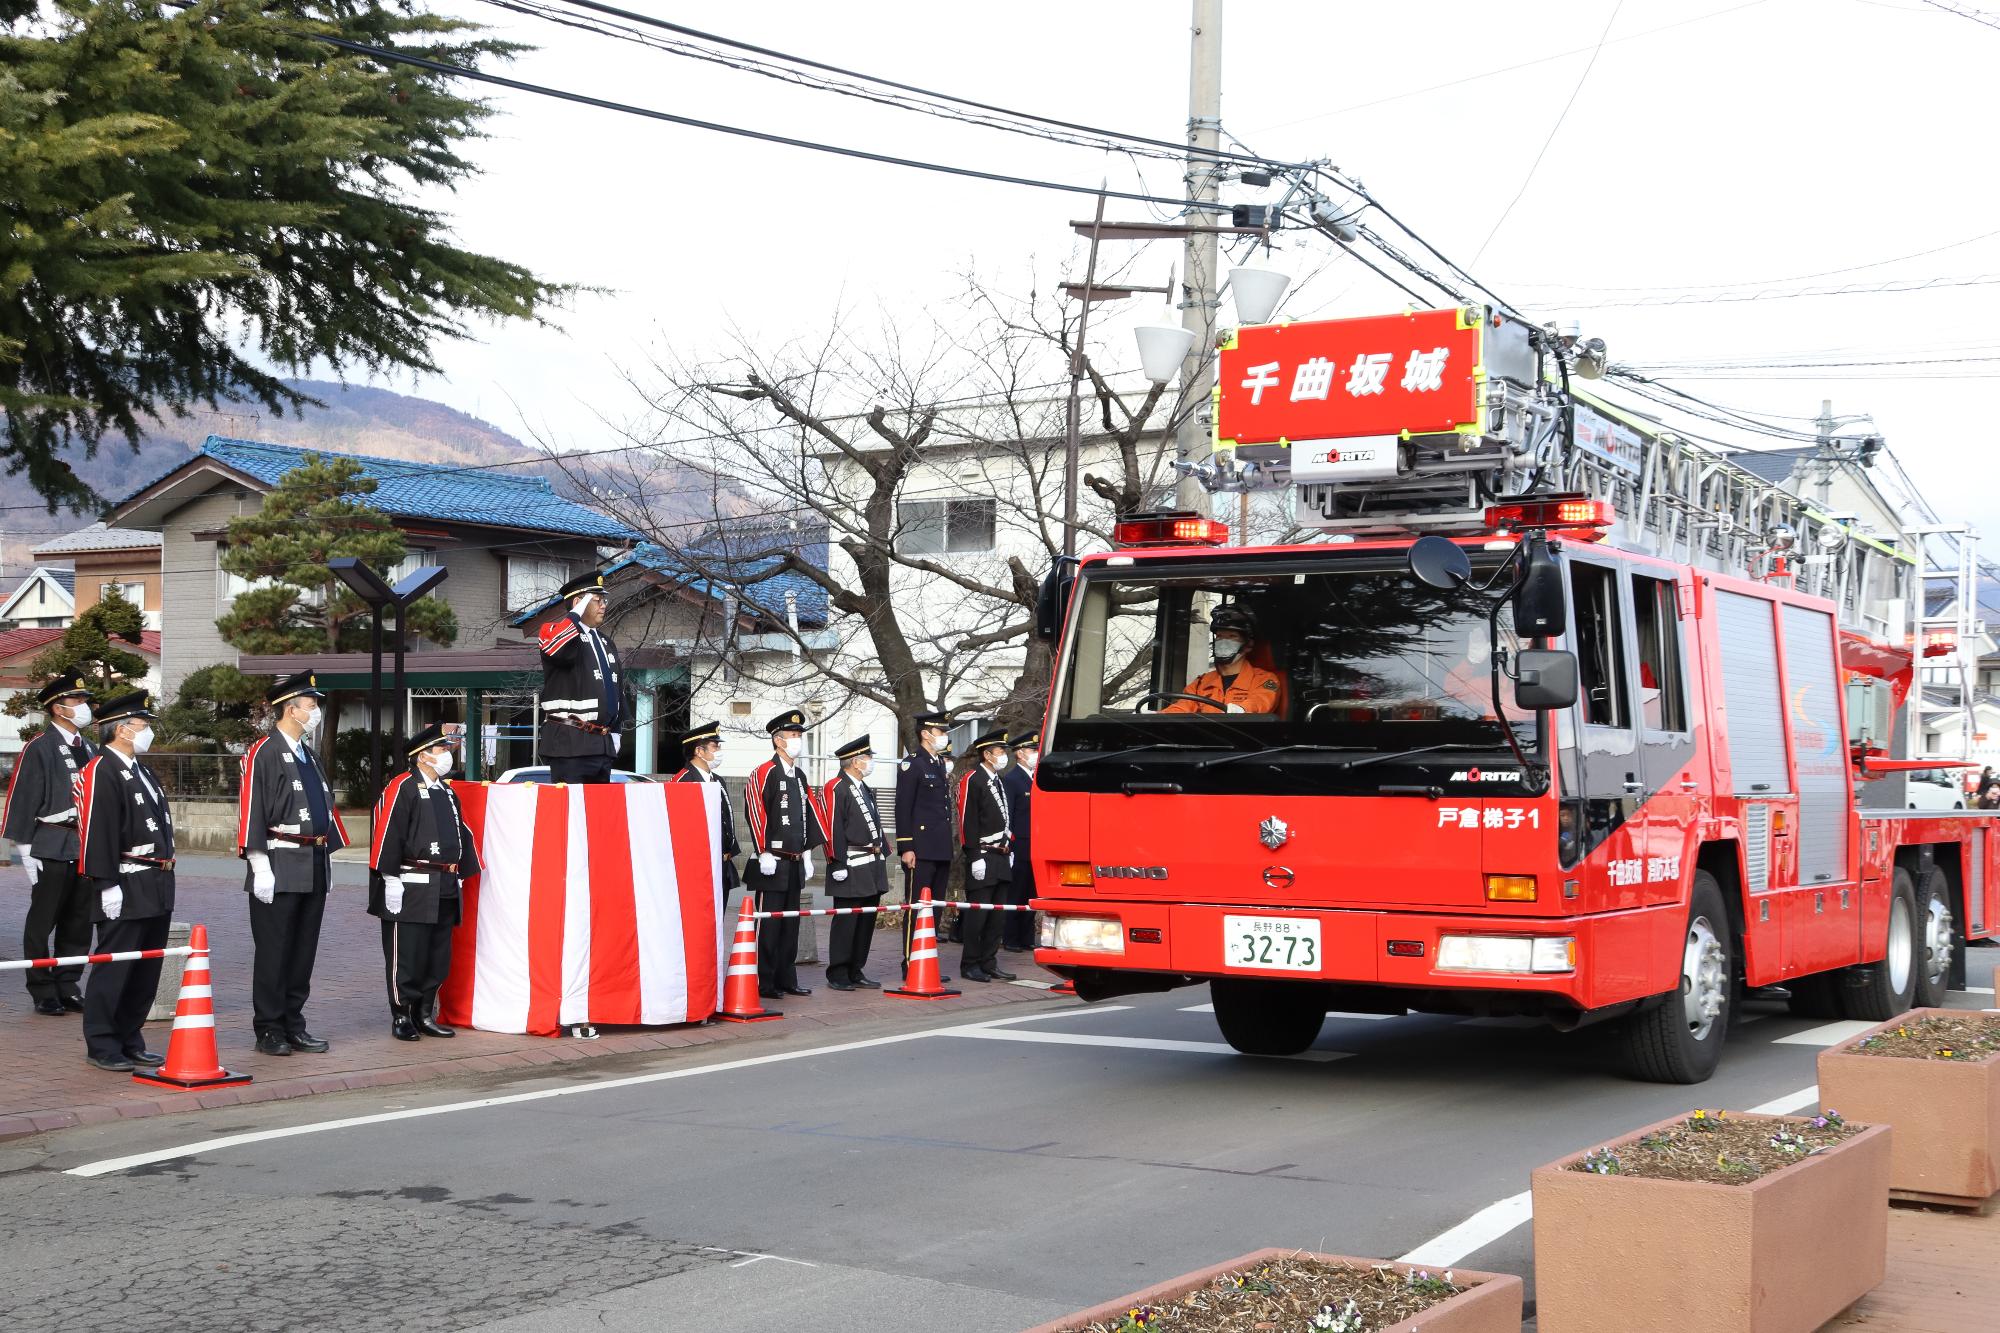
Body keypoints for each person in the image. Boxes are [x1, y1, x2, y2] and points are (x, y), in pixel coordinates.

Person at [235, 671, 346, 1056]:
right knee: (274, 950)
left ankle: (293, 1022)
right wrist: (258, 863)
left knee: (302, 951)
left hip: (311, 860)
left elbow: (325, 807)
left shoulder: (308, 754)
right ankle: (269, 1028)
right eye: (311, 705)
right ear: (290, 708)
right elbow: (252, 808)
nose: (315, 712)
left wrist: (327, 857)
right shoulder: (263, 751)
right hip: (279, 859)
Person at [74, 691, 173, 1072]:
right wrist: (104, 883)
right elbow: (97, 830)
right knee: (114, 965)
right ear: (121, 729)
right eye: (142, 726)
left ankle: (130, 1036)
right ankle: (102, 1042)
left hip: (156, 879)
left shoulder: (140, 769)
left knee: (145, 968)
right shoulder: (102, 769)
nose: (147, 732)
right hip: (125, 880)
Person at [368, 724, 480, 1041]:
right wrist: (389, 878)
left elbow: (461, 834)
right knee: (407, 954)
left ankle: (424, 1011)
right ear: (422, 756)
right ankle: (402, 1014)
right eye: (441, 749)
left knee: (437, 955)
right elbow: (387, 830)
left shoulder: (448, 792)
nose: (447, 755)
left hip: (444, 882)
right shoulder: (402, 787)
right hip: (411, 883)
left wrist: (460, 872)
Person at [3, 676, 97, 1016]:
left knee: (79, 919)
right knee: (43, 920)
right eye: (78, 700)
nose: (85, 706)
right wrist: (25, 849)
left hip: (82, 843)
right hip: (50, 841)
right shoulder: (40, 746)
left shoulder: (88, 747)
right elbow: (23, 798)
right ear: (58, 708)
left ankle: (68, 983)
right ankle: (42, 988)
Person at [744, 708, 825, 999]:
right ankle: (764, 982)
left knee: (791, 922)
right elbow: (755, 809)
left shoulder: (799, 775)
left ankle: (787, 978)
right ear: (779, 741)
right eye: (793, 735)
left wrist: (807, 853)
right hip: (773, 861)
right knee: (769, 923)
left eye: (799, 735)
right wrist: (762, 850)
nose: (797, 740)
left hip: (793, 861)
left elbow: (809, 814)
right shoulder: (764, 772)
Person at [536, 570, 625, 784]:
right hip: (570, 743)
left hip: (602, 744)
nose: (603, 605)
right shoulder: (554, 631)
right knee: (572, 814)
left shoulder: (606, 642)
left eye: (604, 600)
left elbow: (617, 690)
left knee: (596, 815)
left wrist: (617, 731)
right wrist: (574, 615)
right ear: (578, 602)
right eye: (596, 600)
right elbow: (556, 647)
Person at [821, 736, 889, 991]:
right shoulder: (836, 787)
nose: (870, 762)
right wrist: (836, 861)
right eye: (867, 758)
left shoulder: (864, 788)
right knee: (846, 921)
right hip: (849, 862)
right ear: (854, 761)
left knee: (866, 920)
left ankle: (856, 968)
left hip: (871, 862)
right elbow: (832, 826)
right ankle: (838, 972)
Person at [894, 710, 954, 982]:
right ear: (925, 733)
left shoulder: (939, 764)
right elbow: (903, 808)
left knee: (935, 908)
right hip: (920, 848)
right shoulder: (913, 764)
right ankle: (910, 962)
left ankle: (927, 960)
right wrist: (906, 846)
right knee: (917, 906)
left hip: (940, 846)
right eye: (940, 732)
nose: (944, 736)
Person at [957, 729, 1016, 984]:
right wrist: (973, 854)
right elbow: (967, 819)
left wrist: (1008, 847)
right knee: (978, 915)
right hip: (983, 853)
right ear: (987, 754)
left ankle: (989, 962)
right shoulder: (974, 779)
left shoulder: (997, 780)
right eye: (1000, 752)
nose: (1003, 756)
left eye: (1004, 751)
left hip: (1001, 854)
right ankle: (970, 964)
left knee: (996, 916)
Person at [1164, 605, 1283, 714]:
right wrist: (1159, 717)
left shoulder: (1264, 679)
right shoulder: (1201, 683)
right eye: (1220, 636)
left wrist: (1242, 709)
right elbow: (1181, 707)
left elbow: (1261, 700)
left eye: (1232, 636)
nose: (1224, 642)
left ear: (1248, 645)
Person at [674, 720, 741, 904]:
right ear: (698, 751)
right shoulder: (684, 780)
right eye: (714, 746)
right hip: (697, 866)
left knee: (719, 918)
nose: (718, 751)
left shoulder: (717, 780)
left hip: (722, 862)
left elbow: (726, 817)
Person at [1000, 730, 1039, 954]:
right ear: (1020, 754)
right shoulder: (1012, 779)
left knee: (1032, 894)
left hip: (1036, 845)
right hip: (1019, 844)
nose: (1035, 754)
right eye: (1031, 750)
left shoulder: (1035, 778)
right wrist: (1010, 844)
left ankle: (1026, 936)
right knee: (1016, 892)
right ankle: (1011, 937)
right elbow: (1010, 816)